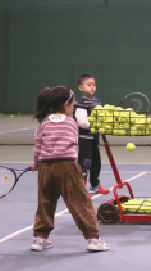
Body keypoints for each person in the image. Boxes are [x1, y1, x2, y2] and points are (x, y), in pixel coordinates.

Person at [31, 86, 109, 252]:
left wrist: (36, 164)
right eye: (73, 104)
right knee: (81, 201)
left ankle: (40, 239)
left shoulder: (43, 123)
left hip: (45, 168)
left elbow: (37, 148)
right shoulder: (72, 123)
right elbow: (74, 143)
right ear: (66, 105)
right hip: (68, 166)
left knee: (45, 202)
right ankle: (93, 239)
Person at [74, 74, 108, 195]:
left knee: (96, 162)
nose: (92, 87)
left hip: (95, 138)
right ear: (81, 88)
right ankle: (81, 188)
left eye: (93, 85)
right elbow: (82, 122)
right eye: (89, 85)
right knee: (85, 163)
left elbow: (100, 116)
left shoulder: (97, 101)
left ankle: (95, 186)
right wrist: (96, 125)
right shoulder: (80, 103)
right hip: (84, 139)